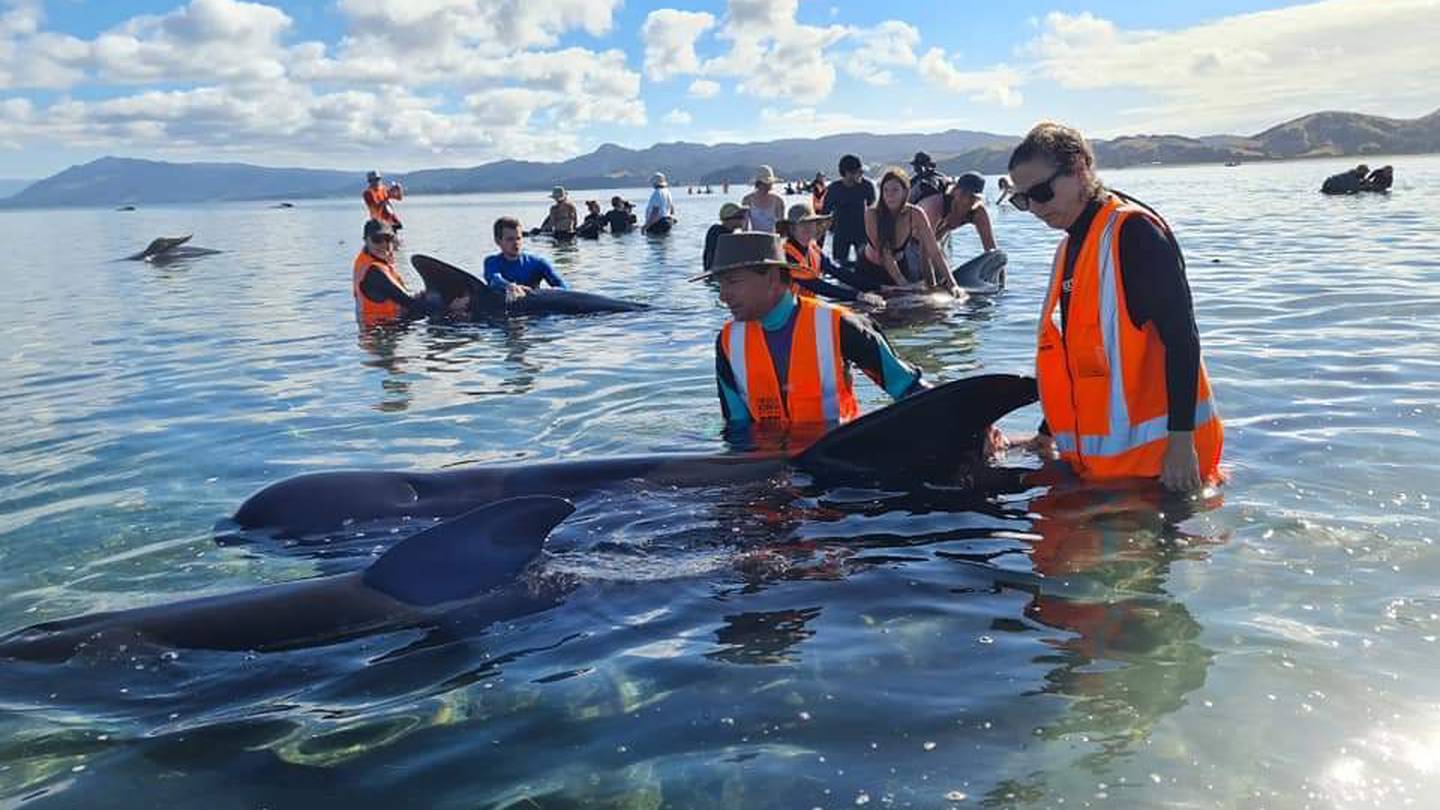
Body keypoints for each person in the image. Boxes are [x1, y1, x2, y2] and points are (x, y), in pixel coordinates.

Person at [1004, 121, 1224, 492]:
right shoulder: (1072, 246)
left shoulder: (1134, 234)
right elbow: (1086, 362)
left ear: (1079, 169)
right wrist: (1046, 433)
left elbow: (1182, 340)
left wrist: (1182, 444)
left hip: (1164, 473)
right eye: (1021, 200)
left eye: (1041, 193)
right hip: (1107, 477)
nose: (1035, 209)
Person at [694, 232, 926, 441]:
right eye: (720, 284)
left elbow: (908, 389)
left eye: (732, 282)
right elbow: (737, 425)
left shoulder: (840, 324)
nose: (723, 296)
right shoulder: (727, 342)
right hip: (770, 469)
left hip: (842, 461)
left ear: (772, 279)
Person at [856, 168, 957, 293]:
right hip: (870, 269)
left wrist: (953, 284)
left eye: (895, 190)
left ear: (905, 192)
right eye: (885, 190)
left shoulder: (916, 213)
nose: (889, 195)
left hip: (900, 265)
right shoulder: (872, 214)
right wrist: (905, 285)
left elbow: (934, 251)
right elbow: (885, 253)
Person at [781, 202, 885, 308]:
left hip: (807, 304)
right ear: (792, 229)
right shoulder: (786, 255)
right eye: (802, 225)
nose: (808, 228)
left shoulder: (813, 248)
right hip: (788, 309)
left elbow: (837, 271)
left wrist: (878, 287)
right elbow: (818, 286)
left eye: (811, 223)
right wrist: (858, 295)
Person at [484, 216, 567, 303]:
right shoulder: (492, 262)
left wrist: (550, 293)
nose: (516, 243)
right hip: (504, 309)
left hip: (534, 311)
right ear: (498, 241)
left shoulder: (538, 263)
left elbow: (563, 287)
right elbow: (494, 279)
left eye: (518, 238)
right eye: (510, 239)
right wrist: (509, 286)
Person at [820, 154, 877, 266]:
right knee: (840, 265)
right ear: (847, 173)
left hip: (862, 233)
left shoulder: (867, 186)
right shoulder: (834, 189)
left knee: (865, 266)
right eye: (858, 172)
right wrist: (819, 242)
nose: (861, 175)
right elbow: (824, 215)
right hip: (841, 233)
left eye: (862, 172)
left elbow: (874, 211)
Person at [936, 171, 998, 251]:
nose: (965, 201)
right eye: (963, 194)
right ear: (955, 191)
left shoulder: (978, 211)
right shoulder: (939, 203)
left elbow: (990, 247)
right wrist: (947, 227)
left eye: (972, 197)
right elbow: (924, 239)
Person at [907, 152, 952, 234]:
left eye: (920, 166)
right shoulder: (913, 181)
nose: (918, 168)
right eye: (916, 166)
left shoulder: (938, 180)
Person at [703, 202, 748, 272]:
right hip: (717, 272)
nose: (743, 220)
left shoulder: (730, 234)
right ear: (730, 219)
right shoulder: (716, 232)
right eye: (740, 217)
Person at [742, 166, 786, 233]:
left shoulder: (778, 201)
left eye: (769, 183)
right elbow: (744, 227)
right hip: (755, 239)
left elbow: (781, 228)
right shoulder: (747, 200)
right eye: (764, 183)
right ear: (758, 184)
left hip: (772, 240)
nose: (768, 185)